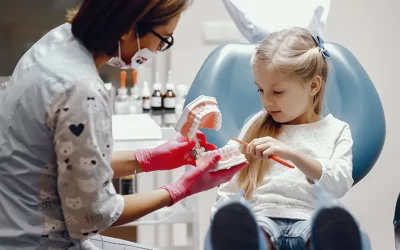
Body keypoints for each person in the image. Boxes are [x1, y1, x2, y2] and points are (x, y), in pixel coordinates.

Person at [0, 0, 247, 249]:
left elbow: (66, 168)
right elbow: (92, 216)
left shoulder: (55, 43)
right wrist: (179, 189)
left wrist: (147, 158)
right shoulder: (81, 91)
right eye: (163, 39)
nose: (159, 49)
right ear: (129, 29)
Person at [205, 27, 371, 250]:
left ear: (313, 86)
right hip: (263, 216)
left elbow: (338, 185)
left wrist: (291, 153)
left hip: (309, 218)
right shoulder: (256, 126)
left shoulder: (337, 130)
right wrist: (221, 223)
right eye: (260, 90)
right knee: (248, 229)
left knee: (327, 229)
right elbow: (230, 186)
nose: (267, 101)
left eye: (278, 92)